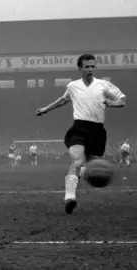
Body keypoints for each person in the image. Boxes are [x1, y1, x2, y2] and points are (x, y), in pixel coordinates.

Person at [36, 53, 126, 215]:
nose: (90, 69)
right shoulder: (73, 86)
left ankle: (85, 172)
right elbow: (63, 99)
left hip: (98, 131)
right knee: (77, 160)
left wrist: (113, 103)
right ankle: (70, 198)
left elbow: (122, 100)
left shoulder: (104, 85)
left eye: (93, 66)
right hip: (79, 128)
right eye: (87, 66)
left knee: (92, 165)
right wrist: (46, 109)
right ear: (80, 68)